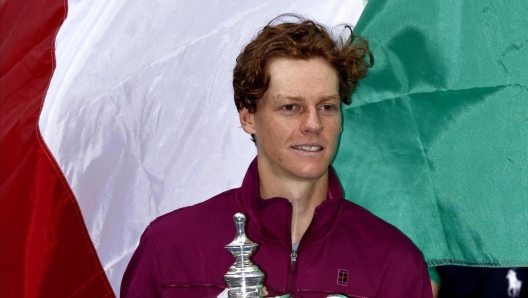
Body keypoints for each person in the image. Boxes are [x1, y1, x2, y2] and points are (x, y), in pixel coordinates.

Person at [121, 15, 432, 298]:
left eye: (326, 106)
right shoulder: (171, 248)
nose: (313, 124)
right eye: (290, 107)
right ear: (248, 117)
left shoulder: (395, 262)